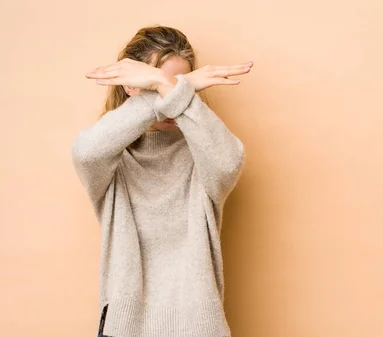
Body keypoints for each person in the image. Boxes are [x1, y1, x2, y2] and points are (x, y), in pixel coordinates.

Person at [70, 25, 253, 337]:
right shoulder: (112, 156)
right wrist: (167, 90)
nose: (169, 95)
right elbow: (86, 152)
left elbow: (229, 161)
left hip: (198, 325)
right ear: (130, 86)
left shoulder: (201, 151)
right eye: (155, 84)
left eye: (181, 84)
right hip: (125, 327)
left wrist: (164, 87)